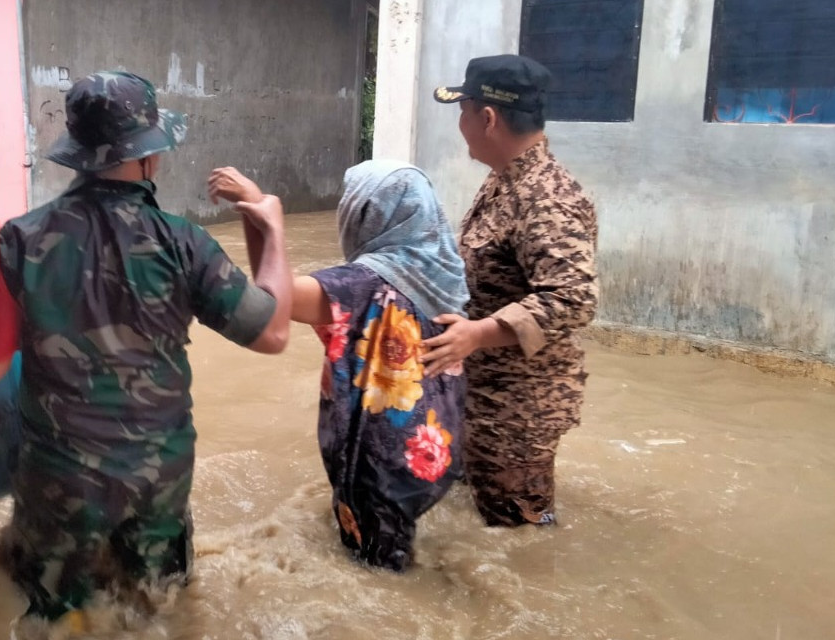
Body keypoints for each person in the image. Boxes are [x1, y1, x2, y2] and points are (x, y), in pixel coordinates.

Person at [0, 71, 293, 631]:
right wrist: (272, 231)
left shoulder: (13, 240)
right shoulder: (185, 244)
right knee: (159, 610)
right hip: (157, 481)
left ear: (77, 154)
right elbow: (274, 333)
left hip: (57, 487)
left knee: (48, 616)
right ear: (151, 157)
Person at [208, 163, 468, 571]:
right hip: (430, 449)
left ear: (363, 217)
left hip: (378, 464)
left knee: (377, 572)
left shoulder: (364, 284)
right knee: (397, 552)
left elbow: (275, 299)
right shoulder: (443, 272)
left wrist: (259, 211)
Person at [424, 54, 598, 527]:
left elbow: (573, 298)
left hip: (518, 410)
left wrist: (478, 334)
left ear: (487, 118)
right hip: (485, 394)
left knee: (519, 536)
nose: (459, 123)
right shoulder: (506, 181)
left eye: (463, 110)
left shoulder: (546, 196)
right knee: (482, 530)